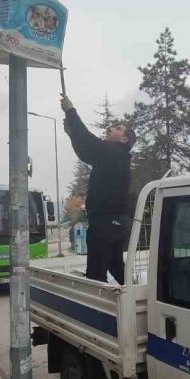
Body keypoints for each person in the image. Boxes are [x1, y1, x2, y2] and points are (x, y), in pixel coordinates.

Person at [60, 94, 137, 283]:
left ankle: (100, 309)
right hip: (116, 222)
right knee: (115, 266)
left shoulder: (114, 152)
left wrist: (71, 111)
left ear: (124, 139)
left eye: (118, 128)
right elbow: (87, 151)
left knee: (96, 273)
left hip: (105, 222)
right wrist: (71, 133)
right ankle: (134, 299)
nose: (112, 129)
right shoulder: (117, 156)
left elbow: (88, 142)